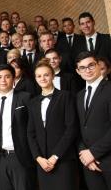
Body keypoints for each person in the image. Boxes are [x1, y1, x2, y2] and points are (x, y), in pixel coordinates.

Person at [27, 59, 78, 190]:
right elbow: (30, 133)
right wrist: (38, 158)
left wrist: (55, 156)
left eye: (46, 75)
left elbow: (71, 129)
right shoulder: (33, 102)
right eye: (39, 76)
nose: (42, 78)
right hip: (42, 162)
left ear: (53, 76)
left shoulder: (65, 96)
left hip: (63, 159)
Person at [0, 64, 36, 190]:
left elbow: (33, 128)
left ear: (13, 78)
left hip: (19, 157)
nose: (3, 80)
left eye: (7, 76)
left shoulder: (25, 97)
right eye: (0, 77)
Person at [75, 51, 111, 190]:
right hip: (89, 164)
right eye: (83, 68)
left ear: (98, 66)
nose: (87, 70)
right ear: (78, 71)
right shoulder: (79, 95)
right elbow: (79, 128)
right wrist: (85, 154)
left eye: (91, 65)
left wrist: (93, 153)